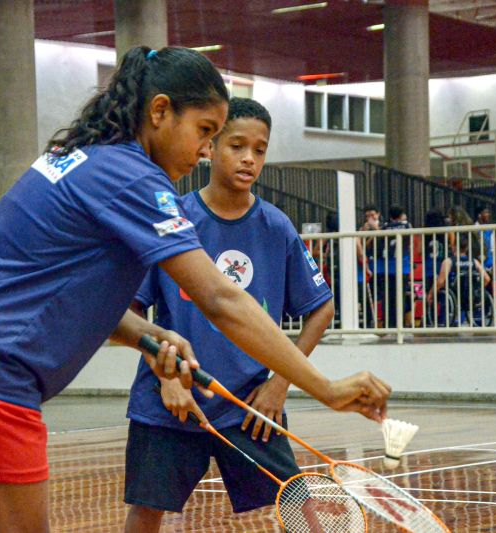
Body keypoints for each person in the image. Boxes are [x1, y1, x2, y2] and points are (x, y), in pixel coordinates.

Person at [0, 47, 390, 533]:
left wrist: (147, 335)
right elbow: (221, 299)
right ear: (159, 111)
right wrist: (327, 388)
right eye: (205, 130)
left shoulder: (86, 156)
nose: (207, 148)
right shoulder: (134, 177)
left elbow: (54, 285)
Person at [123, 98, 337, 530]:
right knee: (146, 510)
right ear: (210, 147)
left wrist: (279, 384)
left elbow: (321, 307)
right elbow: (131, 306)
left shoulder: (276, 228)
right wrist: (166, 376)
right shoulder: (174, 218)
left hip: (249, 405)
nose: (249, 158)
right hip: (172, 400)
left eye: (259, 150)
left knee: (299, 503)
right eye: (237, 145)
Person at [378, 205, 412, 328]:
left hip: (387, 267)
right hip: (402, 267)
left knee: (387, 298)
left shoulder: (385, 227)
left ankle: (388, 323)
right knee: (400, 297)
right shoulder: (407, 226)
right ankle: (400, 323)